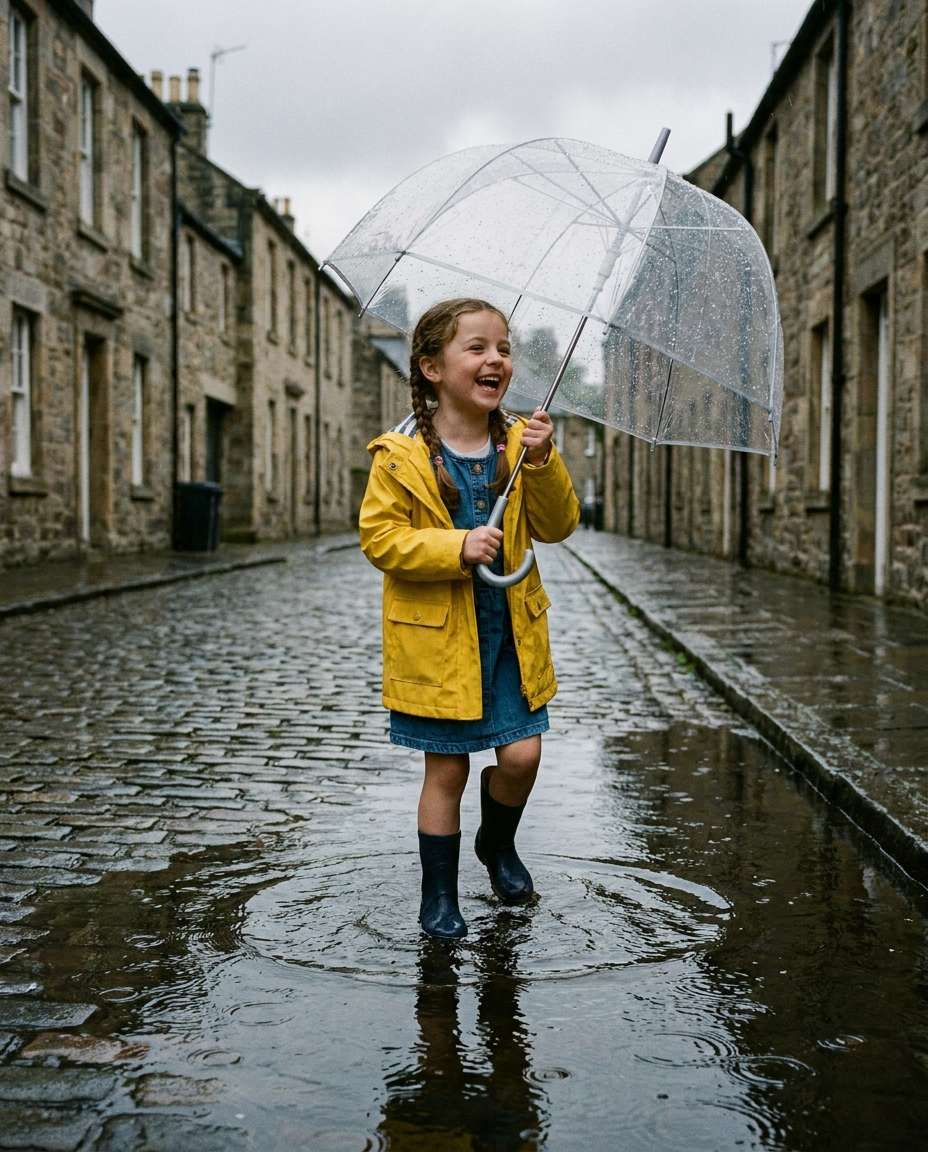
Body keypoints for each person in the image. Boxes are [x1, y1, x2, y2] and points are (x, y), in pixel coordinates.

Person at [359, 298, 580, 940]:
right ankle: (439, 895)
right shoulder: (399, 455)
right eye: (477, 348)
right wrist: (455, 547)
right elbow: (381, 540)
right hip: (438, 642)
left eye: (504, 349)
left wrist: (541, 463)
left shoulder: (518, 443)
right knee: (447, 770)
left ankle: (498, 846)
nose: (497, 360)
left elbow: (558, 524)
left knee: (522, 754)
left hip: (509, 632)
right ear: (431, 367)